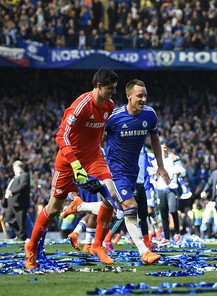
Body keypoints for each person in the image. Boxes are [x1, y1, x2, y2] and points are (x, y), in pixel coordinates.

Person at [25, 68, 119, 269]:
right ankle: (31, 248)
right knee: (54, 209)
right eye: (110, 89)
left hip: (93, 156)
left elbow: (100, 132)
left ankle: (98, 245)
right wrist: (75, 164)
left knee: (111, 195)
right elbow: (61, 136)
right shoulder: (81, 106)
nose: (113, 93)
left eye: (115, 89)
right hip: (69, 161)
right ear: (98, 86)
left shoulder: (109, 105)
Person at [104, 79, 170, 264]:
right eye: (139, 95)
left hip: (133, 171)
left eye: (145, 95)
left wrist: (160, 165)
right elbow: (97, 137)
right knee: (130, 207)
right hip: (115, 170)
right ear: (129, 96)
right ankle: (144, 252)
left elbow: (154, 139)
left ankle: (83, 215)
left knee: (110, 207)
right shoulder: (114, 117)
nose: (143, 99)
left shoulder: (149, 115)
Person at [156, 143, 185, 244]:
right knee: (163, 213)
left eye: (165, 148)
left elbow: (183, 171)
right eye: (162, 148)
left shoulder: (174, 158)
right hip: (160, 188)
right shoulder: (156, 159)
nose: (163, 150)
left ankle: (177, 232)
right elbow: (150, 170)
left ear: (167, 149)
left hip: (172, 188)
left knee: (173, 210)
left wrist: (179, 171)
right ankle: (167, 237)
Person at [4, 160, 31, 241]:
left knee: (20, 221)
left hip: (19, 203)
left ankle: (22, 236)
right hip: (12, 203)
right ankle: (19, 233)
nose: (13, 169)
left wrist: (12, 191)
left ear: (19, 167)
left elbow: (23, 186)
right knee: (8, 218)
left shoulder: (24, 175)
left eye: (14, 167)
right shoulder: (15, 177)